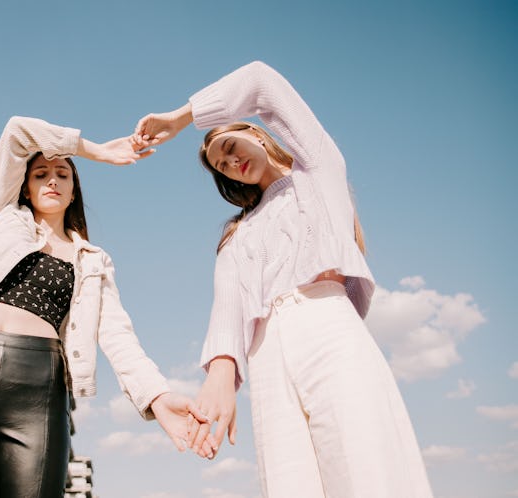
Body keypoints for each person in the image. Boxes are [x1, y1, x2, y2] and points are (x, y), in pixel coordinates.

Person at [133, 61, 433, 497]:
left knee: (365, 466)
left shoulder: (318, 172)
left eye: (230, 147)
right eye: (221, 165)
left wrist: (181, 119)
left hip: (326, 326)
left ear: (256, 134)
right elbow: (228, 309)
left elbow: (259, 80)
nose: (231, 162)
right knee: (289, 482)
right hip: (266, 354)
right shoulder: (236, 236)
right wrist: (221, 374)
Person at [0, 115, 205, 498]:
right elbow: (16, 130)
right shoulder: (5, 217)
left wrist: (157, 398)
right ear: (24, 188)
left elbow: (118, 336)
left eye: (63, 174)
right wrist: (95, 151)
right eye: (41, 174)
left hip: (38, 389)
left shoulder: (92, 260)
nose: (53, 180)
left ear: (74, 192)